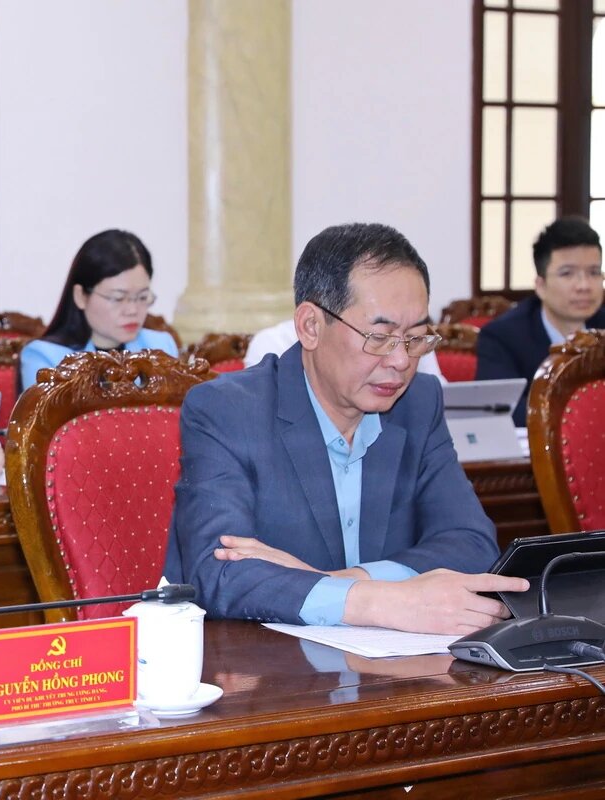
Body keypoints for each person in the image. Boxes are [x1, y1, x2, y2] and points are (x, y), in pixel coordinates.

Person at [163, 222, 528, 634]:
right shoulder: (227, 410)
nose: (401, 361)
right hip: (262, 663)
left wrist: (343, 583)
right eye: (380, 337)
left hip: (389, 663)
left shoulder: (418, 403)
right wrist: (384, 602)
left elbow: (472, 542)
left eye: (416, 338)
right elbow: (218, 574)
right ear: (311, 326)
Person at [476, 216, 605, 426]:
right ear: (540, 285)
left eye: (594, 272)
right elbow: (500, 409)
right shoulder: (502, 337)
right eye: (567, 274)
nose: (584, 285)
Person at [19, 229, 178, 390]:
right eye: (118, 298)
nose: (132, 310)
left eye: (142, 297)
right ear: (80, 296)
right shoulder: (45, 358)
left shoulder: (161, 346)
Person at [244, 317, 448, 383]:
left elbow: (444, 400)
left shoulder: (413, 336)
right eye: (378, 338)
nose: (401, 361)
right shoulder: (271, 343)